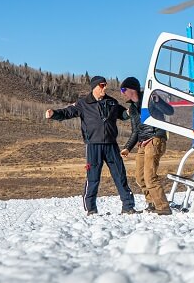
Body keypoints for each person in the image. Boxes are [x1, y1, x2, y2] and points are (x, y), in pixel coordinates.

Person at [46, 76, 136, 215]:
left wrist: (129, 113)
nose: (104, 87)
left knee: (120, 175)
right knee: (93, 178)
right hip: (93, 146)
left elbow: (122, 114)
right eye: (102, 85)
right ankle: (91, 209)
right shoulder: (83, 103)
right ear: (94, 87)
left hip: (111, 145)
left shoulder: (111, 102)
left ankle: (128, 206)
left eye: (105, 85)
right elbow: (67, 112)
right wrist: (54, 114)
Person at [119, 76, 171, 215]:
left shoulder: (149, 99)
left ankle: (163, 207)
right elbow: (136, 130)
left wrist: (158, 101)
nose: (122, 92)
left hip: (155, 139)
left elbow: (169, 111)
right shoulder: (133, 108)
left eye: (124, 89)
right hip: (142, 143)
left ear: (132, 89)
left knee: (150, 176)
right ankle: (152, 202)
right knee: (140, 177)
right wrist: (127, 147)